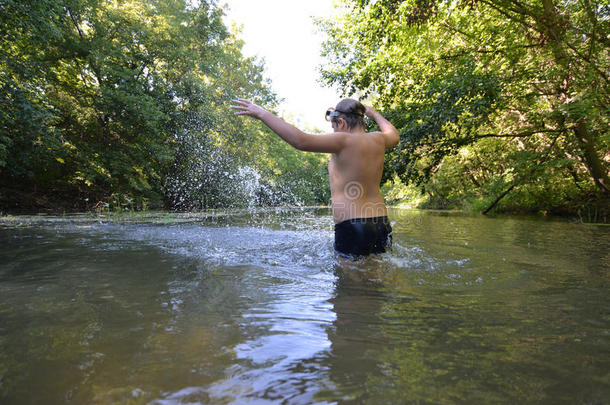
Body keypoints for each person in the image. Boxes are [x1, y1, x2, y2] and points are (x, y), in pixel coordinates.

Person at [231, 98, 399, 257]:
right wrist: (375, 114)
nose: (333, 132)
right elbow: (393, 134)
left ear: (341, 122)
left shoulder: (343, 139)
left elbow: (300, 141)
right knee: (377, 279)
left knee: (347, 285)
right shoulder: (379, 139)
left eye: (334, 127)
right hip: (381, 223)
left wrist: (261, 113)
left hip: (353, 225)